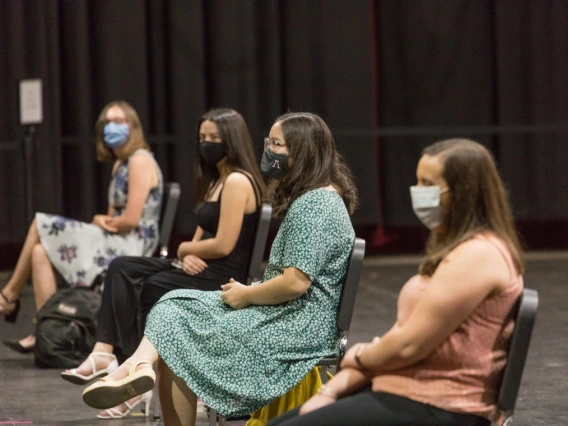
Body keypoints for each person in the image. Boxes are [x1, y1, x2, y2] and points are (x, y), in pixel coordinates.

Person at [80, 112, 359, 426]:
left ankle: (133, 365)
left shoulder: (316, 205)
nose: (269, 151)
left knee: (174, 325)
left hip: (294, 327)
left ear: (302, 151)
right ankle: (138, 364)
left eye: (277, 144)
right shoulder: (318, 198)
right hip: (284, 314)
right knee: (173, 304)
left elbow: (295, 283)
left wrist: (247, 295)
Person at [267, 138, 524, 426]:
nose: (418, 192)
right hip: (405, 389)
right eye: (418, 181)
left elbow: (407, 346)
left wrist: (359, 355)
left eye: (429, 184)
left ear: (464, 193)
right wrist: (334, 387)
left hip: (439, 405)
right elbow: (403, 337)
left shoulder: (479, 254)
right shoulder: (455, 248)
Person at [61, 108, 266, 419]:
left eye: (214, 138)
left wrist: (185, 248)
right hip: (201, 262)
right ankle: (108, 354)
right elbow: (203, 232)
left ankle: (137, 375)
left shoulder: (238, 181)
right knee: (122, 267)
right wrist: (189, 254)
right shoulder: (217, 180)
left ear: (232, 140)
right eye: (202, 138)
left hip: (222, 275)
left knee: (153, 286)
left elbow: (224, 243)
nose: (206, 144)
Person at [1, 100, 163, 353]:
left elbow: (131, 220)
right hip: (114, 237)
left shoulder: (140, 160)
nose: (112, 127)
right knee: (39, 253)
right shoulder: (120, 164)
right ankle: (45, 332)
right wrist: (101, 221)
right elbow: (111, 218)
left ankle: (9, 295)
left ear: (133, 127)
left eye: (119, 121)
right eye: (108, 122)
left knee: (41, 223)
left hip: (133, 241)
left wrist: (101, 221)